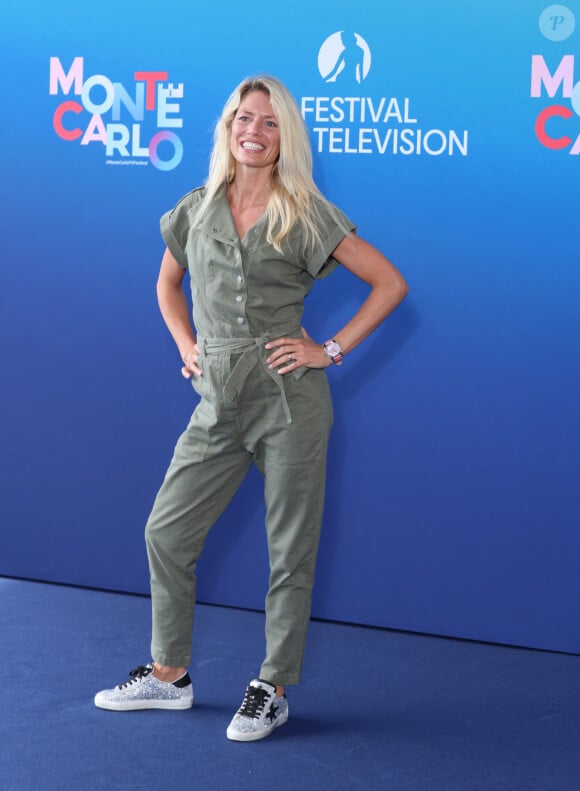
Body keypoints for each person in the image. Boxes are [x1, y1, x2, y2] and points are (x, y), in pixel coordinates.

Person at [94, 75, 408, 741]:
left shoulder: (306, 211)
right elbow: (166, 281)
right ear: (227, 127)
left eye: (268, 122)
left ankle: (273, 685)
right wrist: (186, 343)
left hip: (288, 397)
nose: (253, 131)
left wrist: (330, 348)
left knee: (289, 547)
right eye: (243, 118)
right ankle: (169, 673)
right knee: (166, 530)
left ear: (283, 135)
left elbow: (389, 282)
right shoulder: (197, 207)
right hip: (217, 397)